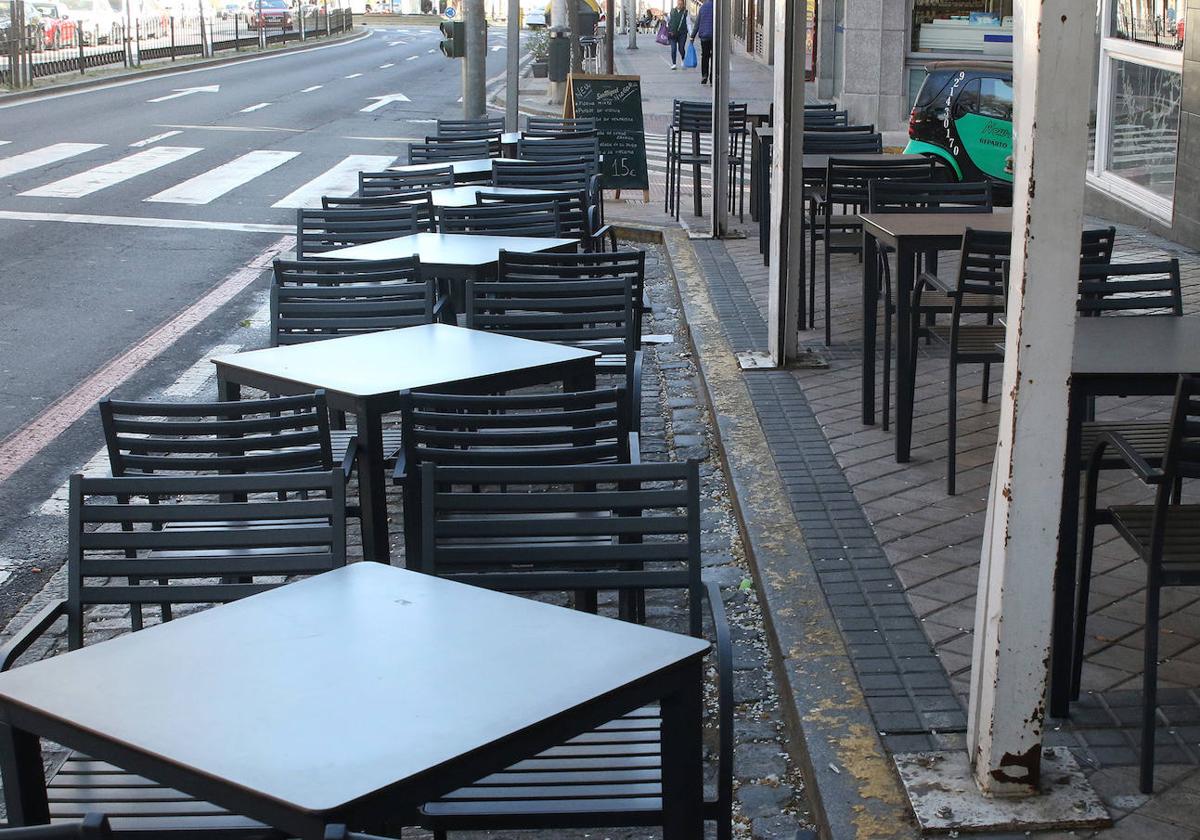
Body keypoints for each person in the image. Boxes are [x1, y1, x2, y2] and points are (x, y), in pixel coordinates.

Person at [691, 0, 713, 84]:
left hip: (704, 36)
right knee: (714, 57)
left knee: (705, 56)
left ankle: (704, 75)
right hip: (714, 36)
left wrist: (692, 36)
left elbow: (697, 23)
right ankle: (712, 77)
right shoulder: (717, 7)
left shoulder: (703, 7)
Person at [665, 0, 688, 70]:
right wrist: (666, 16)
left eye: (681, 4)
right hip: (672, 33)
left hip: (682, 33)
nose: (679, 5)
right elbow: (668, 20)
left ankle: (683, 60)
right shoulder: (672, 11)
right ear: (677, 4)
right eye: (678, 4)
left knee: (681, 48)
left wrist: (691, 34)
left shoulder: (686, 12)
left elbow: (689, 23)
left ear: (683, 5)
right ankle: (674, 63)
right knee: (673, 49)